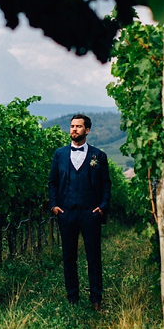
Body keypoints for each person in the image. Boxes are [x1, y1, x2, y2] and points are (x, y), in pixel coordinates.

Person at [48, 114, 111, 310]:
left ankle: (96, 298)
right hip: (66, 212)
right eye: (72, 126)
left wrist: (101, 207)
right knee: (69, 256)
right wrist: (54, 205)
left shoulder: (98, 156)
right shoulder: (59, 154)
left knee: (93, 256)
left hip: (90, 212)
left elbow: (106, 184)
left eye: (79, 126)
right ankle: (72, 297)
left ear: (87, 130)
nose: (74, 129)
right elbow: (53, 182)